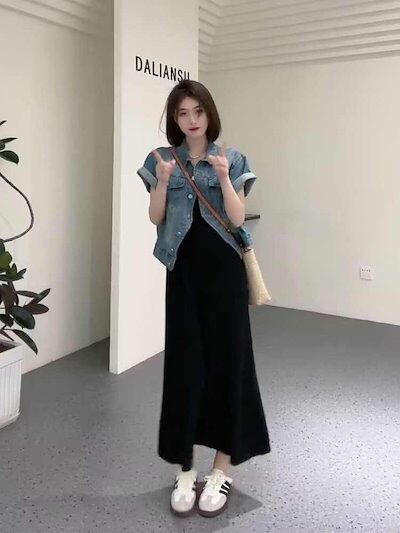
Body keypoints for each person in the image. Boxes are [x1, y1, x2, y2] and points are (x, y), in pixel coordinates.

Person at [137, 79, 271, 518]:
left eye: (198, 111)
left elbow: (237, 216)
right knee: (184, 367)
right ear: (174, 119)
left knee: (229, 364)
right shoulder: (161, 159)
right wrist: (161, 182)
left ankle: (221, 468)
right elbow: (155, 216)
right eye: (182, 113)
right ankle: (184, 468)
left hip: (225, 275)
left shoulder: (232, 157)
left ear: (209, 113)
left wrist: (223, 177)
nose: (191, 120)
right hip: (183, 275)